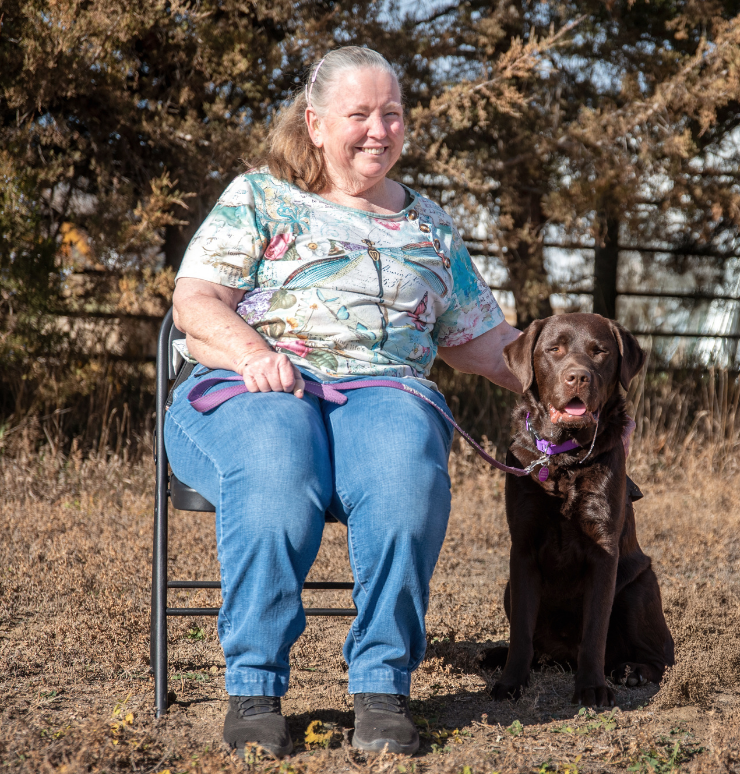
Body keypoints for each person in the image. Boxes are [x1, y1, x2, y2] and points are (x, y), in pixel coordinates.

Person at [165, 46, 522, 757]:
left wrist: (578, 389)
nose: (378, 130)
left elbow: (480, 341)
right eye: (358, 114)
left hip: (385, 391)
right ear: (317, 123)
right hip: (251, 384)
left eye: (391, 114)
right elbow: (195, 301)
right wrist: (253, 354)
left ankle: (382, 686)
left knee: (406, 470)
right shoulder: (260, 197)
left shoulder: (429, 226)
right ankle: (255, 685)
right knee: (276, 458)